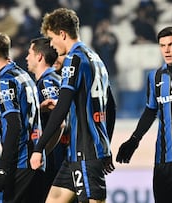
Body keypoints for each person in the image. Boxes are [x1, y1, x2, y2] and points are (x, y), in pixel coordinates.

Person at [29, 8, 116, 203]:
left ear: (62, 34)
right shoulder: (96, 58)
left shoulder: (73, 59)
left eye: (51, 38)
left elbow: (63, 107)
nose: (51, 45)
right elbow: (110, 107)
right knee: (54, 199)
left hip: (85, 151)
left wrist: (39, 147)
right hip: (81, 152)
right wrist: (105, 146)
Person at [116, 26, 172, 203]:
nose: (166, 49)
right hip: (162, 161)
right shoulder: (154, 77)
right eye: (162, 45)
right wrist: (134, 139)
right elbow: (151, 111)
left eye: (171, 44)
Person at [0, 31, 45, 203]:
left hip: (20, 161)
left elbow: (14, 126)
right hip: (34, 159)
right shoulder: (23, 75)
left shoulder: (6, 82)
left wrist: (3, 166)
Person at [25, 37, 68, 202]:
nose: (26, 57)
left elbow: (59, 120)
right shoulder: (56, 79)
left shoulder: (47, 83)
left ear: (39, 57)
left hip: (53, 159)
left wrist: (43, 150)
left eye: (30, 53)